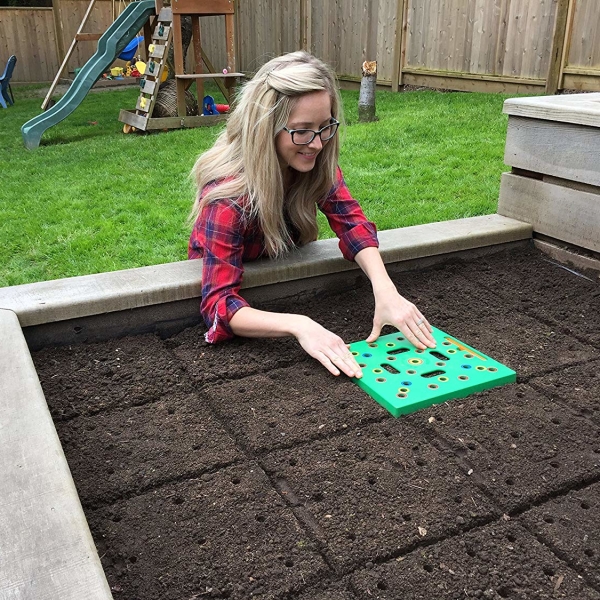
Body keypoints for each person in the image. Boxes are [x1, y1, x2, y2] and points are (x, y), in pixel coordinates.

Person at [189, 51, 435, 379]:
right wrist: (299, 325)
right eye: (302, 130)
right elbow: (218, 304)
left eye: (325, 126)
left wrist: (385, 289)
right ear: (266, 128)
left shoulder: (315, 165)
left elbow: (353, 224)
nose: (317, 144)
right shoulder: (227, 200)